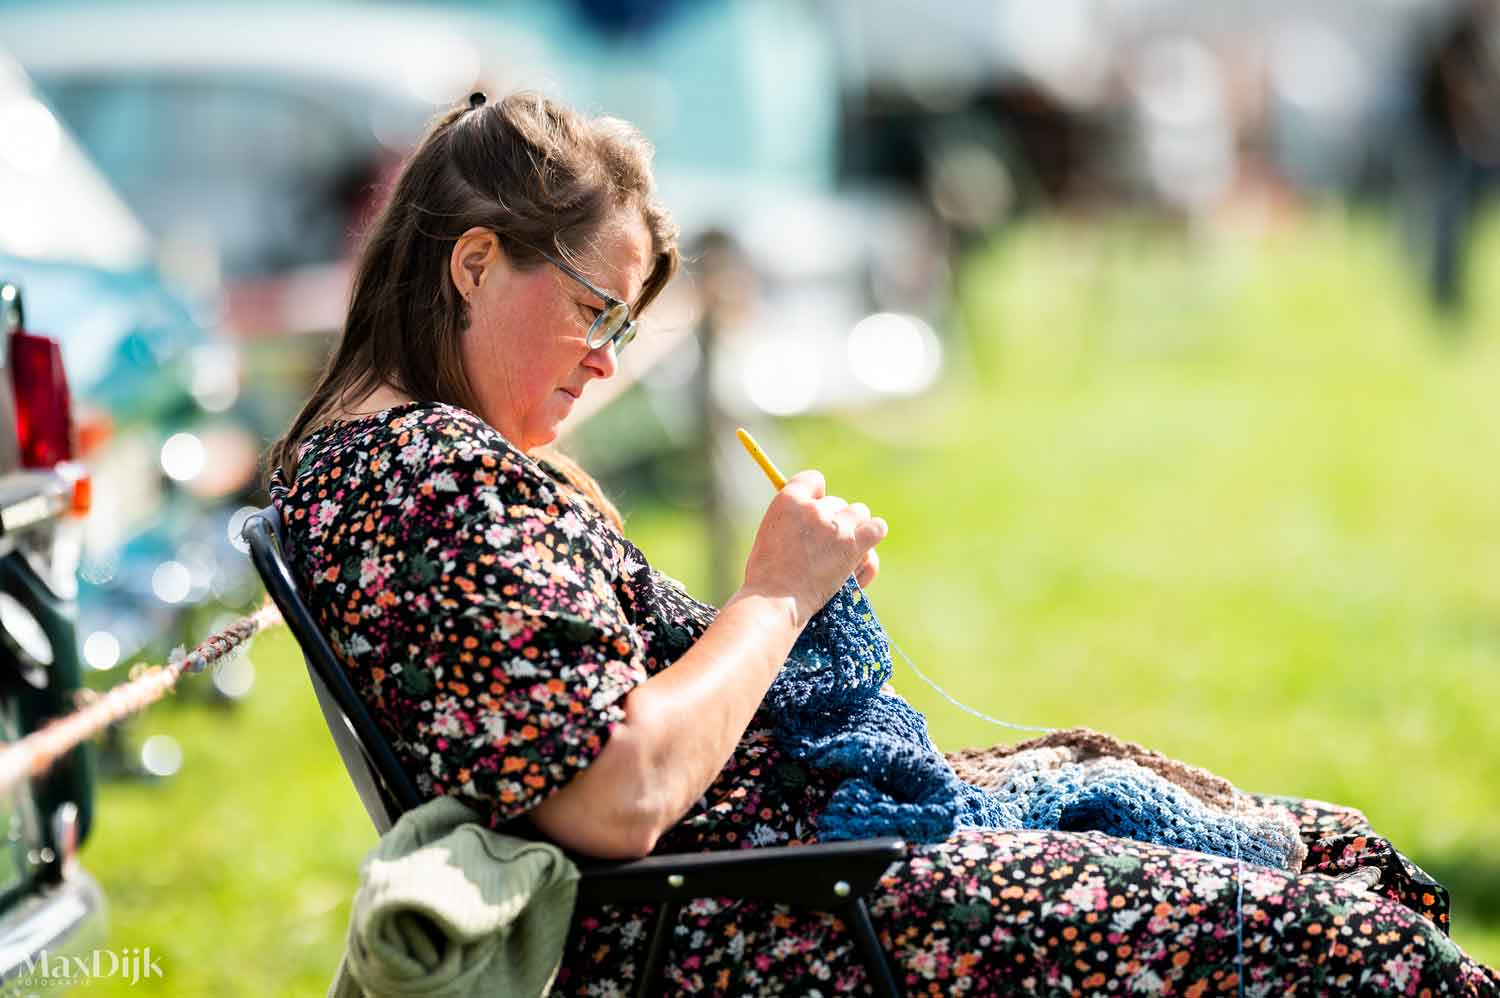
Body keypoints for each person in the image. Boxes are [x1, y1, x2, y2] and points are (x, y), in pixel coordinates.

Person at [268, 92, 1498, 996]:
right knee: (1353, 945)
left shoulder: (409, 468)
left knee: (1335, 854)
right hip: (759, 922)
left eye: (625, 327)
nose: (606, 357)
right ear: (476, 263)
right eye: (596, 308)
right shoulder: (423, 477)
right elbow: (615, 792)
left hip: (793, 881)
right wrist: (776, 598)